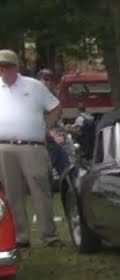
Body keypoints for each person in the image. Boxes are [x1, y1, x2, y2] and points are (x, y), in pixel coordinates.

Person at [0, 50, 62, 248]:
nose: (4, 70)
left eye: (8, 66)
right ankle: (20, 236)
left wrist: (47, 128)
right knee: (12, 193)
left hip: (32, 146)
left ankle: (48, 235)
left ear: (16, 67)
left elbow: (55, 107)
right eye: (1, 67)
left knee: (40, 189)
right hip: (4, 147)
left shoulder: (33, 86)